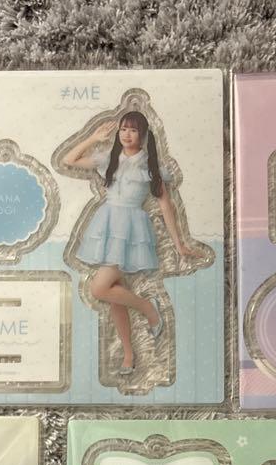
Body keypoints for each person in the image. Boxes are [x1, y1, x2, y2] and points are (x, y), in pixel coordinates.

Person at [64, 110, 193, 375]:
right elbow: (69, 159)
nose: (127, 134)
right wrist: (93, 138)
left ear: (143, 135)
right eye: (123, 129)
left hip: (131, 229)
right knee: (115, 294)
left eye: (133, 130)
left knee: (99, 289)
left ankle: (148, 308)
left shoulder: (149, 167)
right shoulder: (109, 159)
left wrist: (179, 244)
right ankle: (128, 355)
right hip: (107, 224)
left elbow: (166, 207)